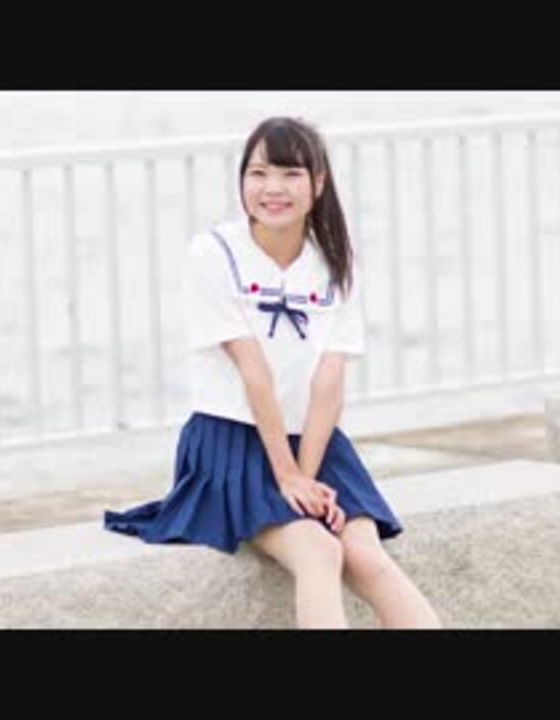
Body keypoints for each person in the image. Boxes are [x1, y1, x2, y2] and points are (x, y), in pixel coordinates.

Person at [105, 116, 441, 630]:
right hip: (232, 444)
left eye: (290, 173)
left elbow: (328, 382)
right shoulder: (214, 254)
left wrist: (305, 476)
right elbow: (252, 369)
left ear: (318, 183)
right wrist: (287, 478)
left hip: (316, 444)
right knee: (319, 551)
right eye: (258, 173)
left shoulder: (336, 264)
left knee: (366, 556)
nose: (272, 188)